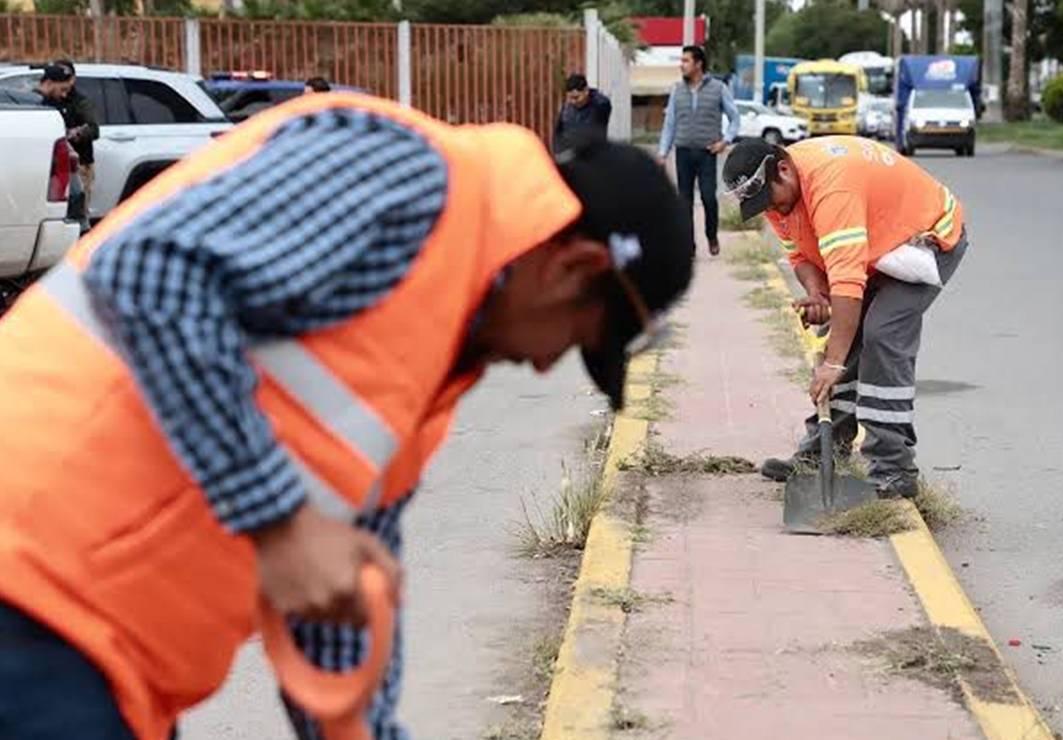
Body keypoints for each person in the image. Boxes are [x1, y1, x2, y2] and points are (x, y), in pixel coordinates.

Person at [0, 94, 693, 739]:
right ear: (571, 267)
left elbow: (341, 595)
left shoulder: (437, 352)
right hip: (30, 587)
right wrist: (278, 521)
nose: (546, 365)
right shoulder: (409, 176)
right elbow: (151, 275)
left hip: (105, 661)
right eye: (577, 340)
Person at [722, 136, 968, 498]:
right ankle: (825, 452)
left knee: (881, 334)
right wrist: (817, 293)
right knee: (844, 335)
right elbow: (800, 257)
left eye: (770, 200)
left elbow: (849, 282)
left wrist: (832, 364)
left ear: (784, 169)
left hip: (923, 240)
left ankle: (894, 468)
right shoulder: (778, 196)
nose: (771, 210)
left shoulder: (831, 188)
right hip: (878, 247)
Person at [657, 44, 739, 256]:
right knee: (684, 201)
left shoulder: (718, 88)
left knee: (708, 197)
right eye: (681, 61)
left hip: (707, 153)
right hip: (683, 151)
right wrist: (662, 153)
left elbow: (734, 118)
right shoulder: (677, 90)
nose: (681, 65)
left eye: (686, 61)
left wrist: (725, 141)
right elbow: (670, 123)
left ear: (698, 64)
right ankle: (689, 245)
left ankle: (711, 236)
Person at [52, 60, 101, 214]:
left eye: (65, 79)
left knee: (79, 213)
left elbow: (93, 129)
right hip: (56, 165)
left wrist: (74, 134)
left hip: (79, 165)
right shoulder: (51, 98)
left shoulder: (80, 102)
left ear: (73, 79)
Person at [552, 73, 612, 153]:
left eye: (576, 98)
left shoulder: (599, 105)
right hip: (570, 156)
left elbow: (604, 103)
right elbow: (558, 132)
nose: (573, 101)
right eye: (570, 98)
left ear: (586, 91)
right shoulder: (566, 109)